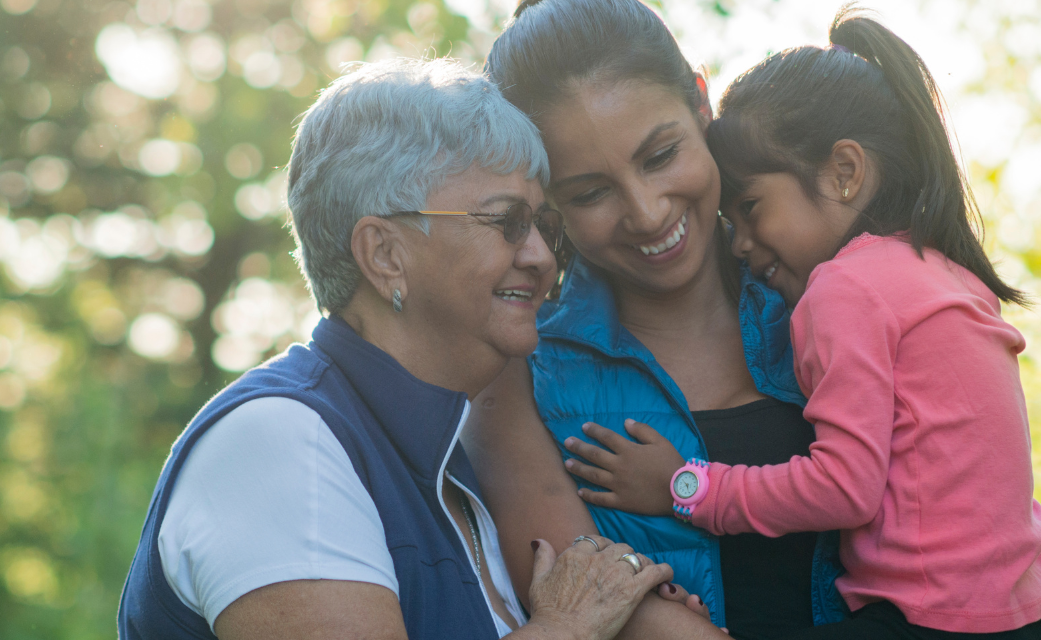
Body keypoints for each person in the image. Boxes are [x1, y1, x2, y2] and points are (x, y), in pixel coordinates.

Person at [117, 58, 681, 640]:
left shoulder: (446, 472)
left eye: (544, 225)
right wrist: (569, 626)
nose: (541, 257)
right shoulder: (279, 441)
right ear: (384, 253)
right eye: (507, 221)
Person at [561, 9, 1041, 639]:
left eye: (750, 209)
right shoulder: (940, 268)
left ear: (845, 171)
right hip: (1021, 610)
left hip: (930, 620)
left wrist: (683, 486)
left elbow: (843, 487)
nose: (741, 243)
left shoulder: (845, 288)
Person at [464, 0, 847, 640]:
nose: (646, 213)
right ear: (545, 200)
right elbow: (610, 611)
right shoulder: (517, 371)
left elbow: (970, 523)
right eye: (590, 193)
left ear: (701, 102)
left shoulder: (833, 292)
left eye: (661, 155)